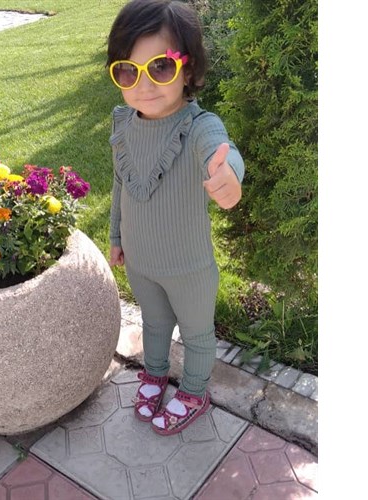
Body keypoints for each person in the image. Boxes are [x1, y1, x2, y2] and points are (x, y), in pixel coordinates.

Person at [106, 0, 244, 435]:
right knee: (154, 323)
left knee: (198, 333)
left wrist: (228, 175)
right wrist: (116, 236)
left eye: (161, 67)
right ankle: (154, 373)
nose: (144, 84)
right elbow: (120, 183)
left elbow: (222, 152)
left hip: (189, 267)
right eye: (128, 71)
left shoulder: (199, 126)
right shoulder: (123, 124)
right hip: (141, 261)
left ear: (188, 69)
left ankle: (194, 391)